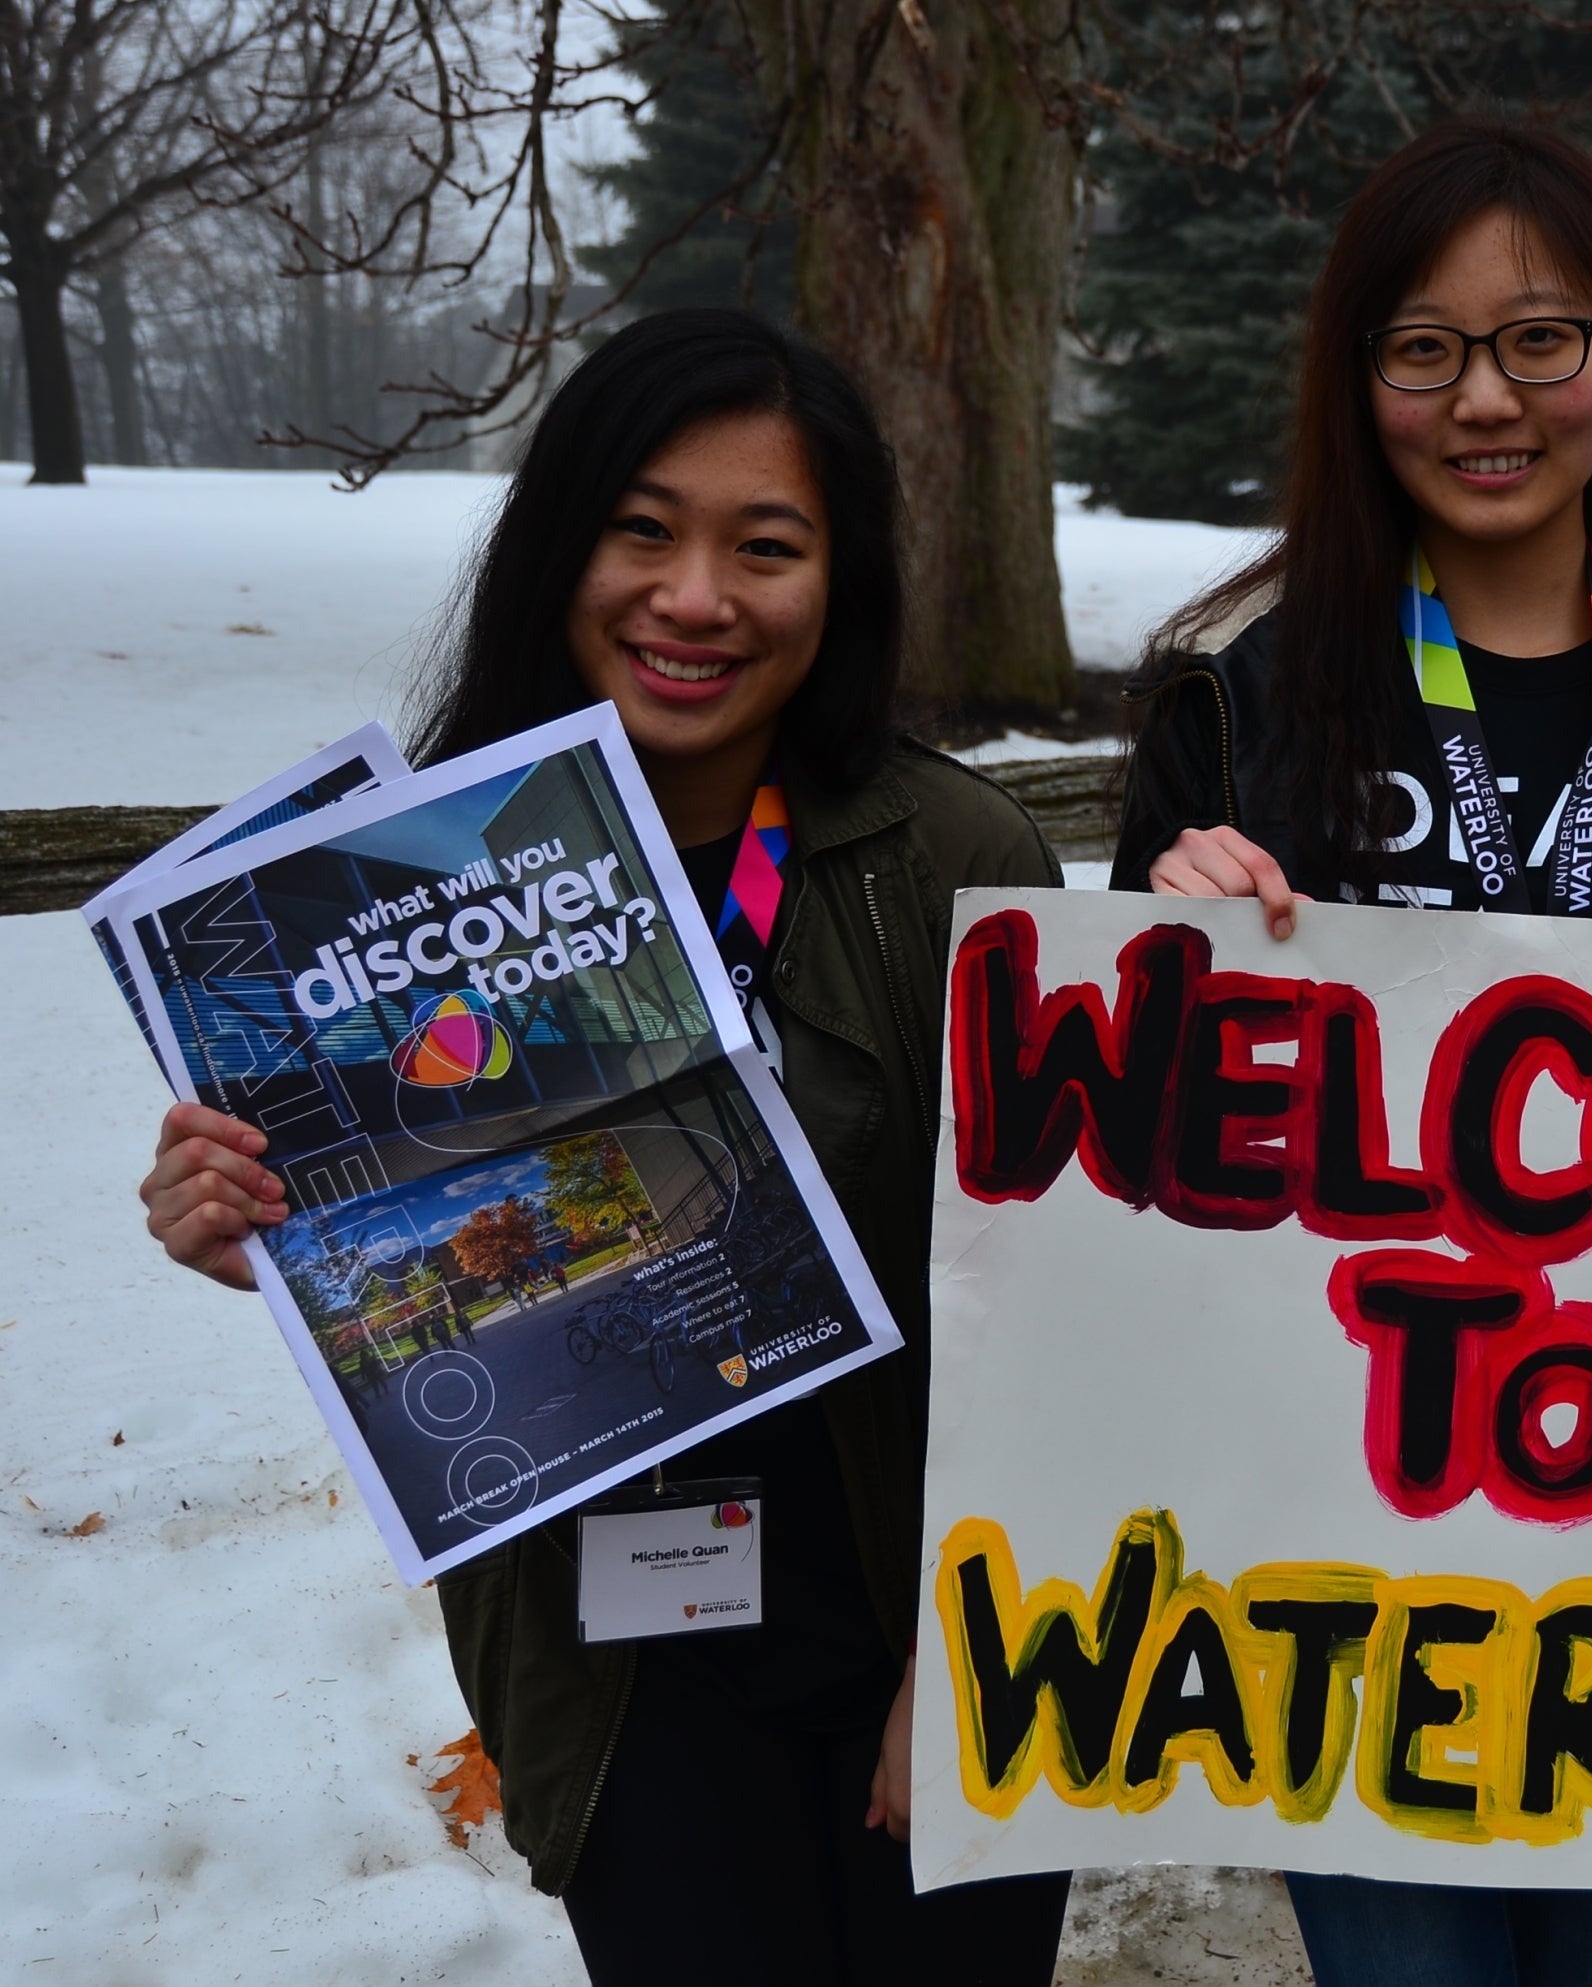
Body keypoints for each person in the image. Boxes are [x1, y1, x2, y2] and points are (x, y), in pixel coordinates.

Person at [132, 309, 1072, 1984]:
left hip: (922, 1632)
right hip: (622, 1664)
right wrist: (248, 1217)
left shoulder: (952, 855)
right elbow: (400, 1263)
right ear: (557, 546)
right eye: (642, 530)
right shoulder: (388, 883)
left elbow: (1067, 1296)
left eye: (763, 546)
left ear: (837, 579)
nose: (694, 598)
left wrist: (976, 1652)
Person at [1114, 115, 1592, 1987]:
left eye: (1542, 338)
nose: (1489, 398)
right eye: (1424, 349)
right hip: (1341, 1531)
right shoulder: (1238, 690)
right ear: (1358, 376)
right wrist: (1162, 919)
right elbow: (1127, 1159)